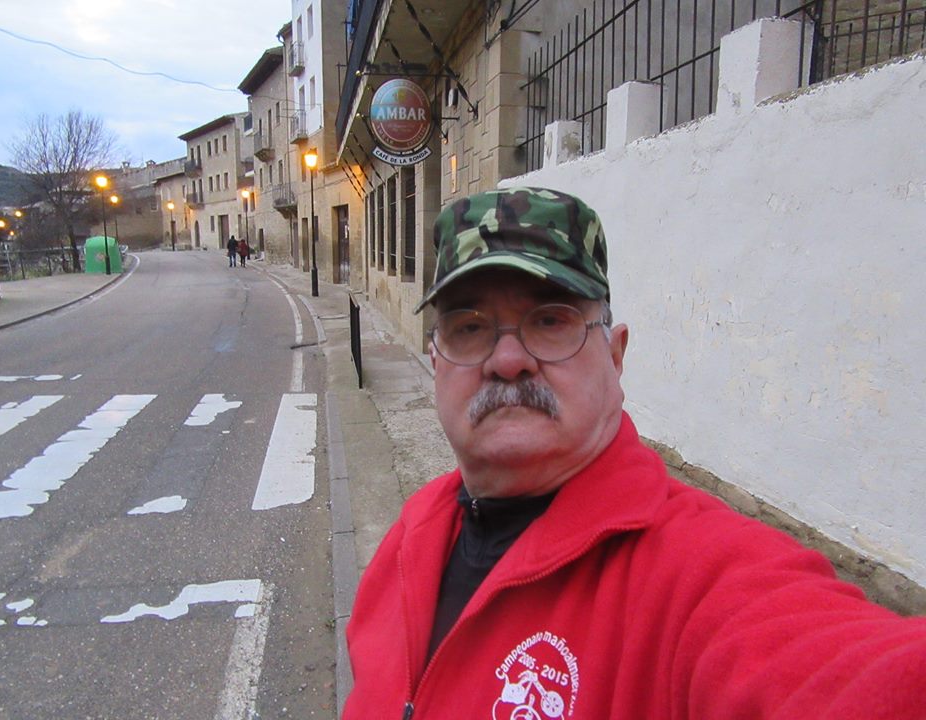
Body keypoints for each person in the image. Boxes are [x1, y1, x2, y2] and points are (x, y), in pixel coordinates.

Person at [342, 187, 926, 719]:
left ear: (615, 356)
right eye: (469, 328)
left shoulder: (697, 577)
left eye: (550, 321)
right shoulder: (411, 536)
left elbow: (848, 677)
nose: (508, 360)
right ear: (437, 360)